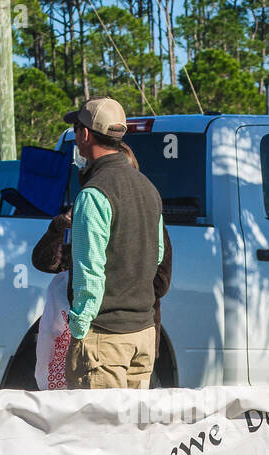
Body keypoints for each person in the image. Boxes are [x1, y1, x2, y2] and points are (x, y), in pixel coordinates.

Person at [33, 141, 172, 390]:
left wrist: (85, 323)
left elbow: (160, 280)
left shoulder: (133, 211)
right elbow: (46, 261)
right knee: (123, 424)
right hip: (120, 335)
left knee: (102, 426)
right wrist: (60, 226)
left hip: (113, 335)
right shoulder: (92, 211)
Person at [63, 97, 166, 390]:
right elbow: (156, 256)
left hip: (104, 337)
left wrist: (80, 329)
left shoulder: (94, 193)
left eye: (76, 129)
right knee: (132, 433)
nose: (75, 136)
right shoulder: (149, 187)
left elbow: (89, 272)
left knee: (98, 434)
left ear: (84, 134)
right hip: (143, 334)